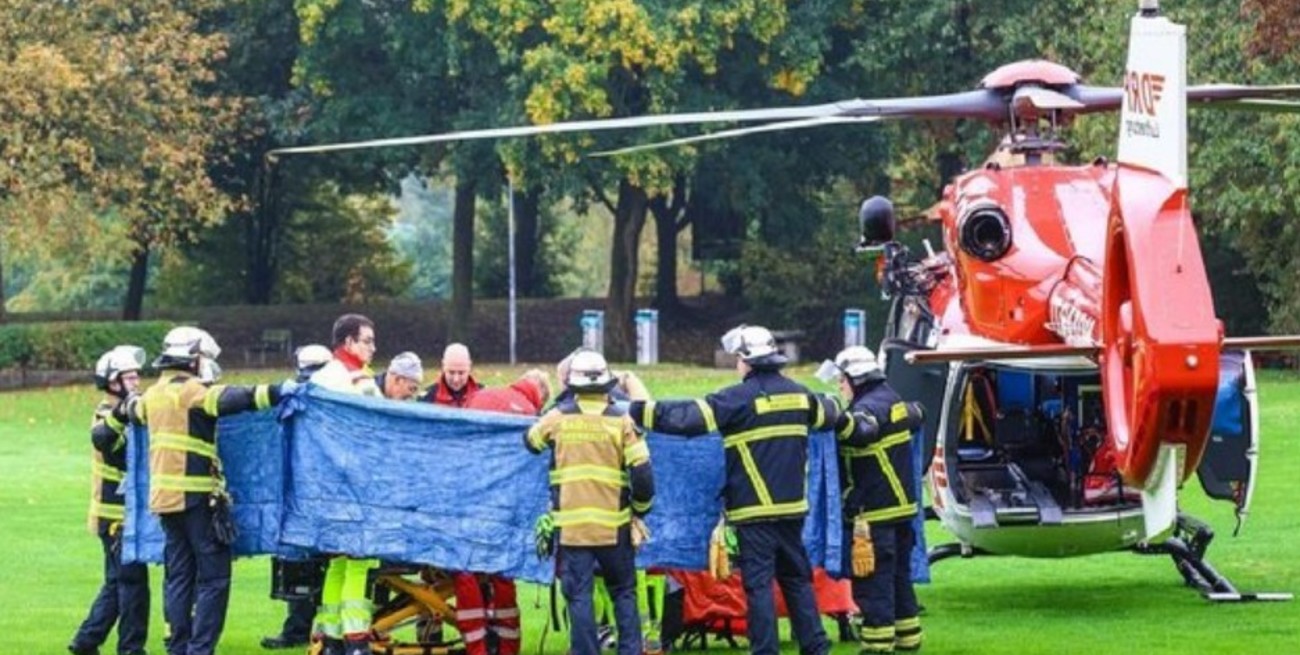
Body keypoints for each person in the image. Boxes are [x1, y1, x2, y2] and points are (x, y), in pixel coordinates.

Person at [627, 325, 837, 655]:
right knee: (798, 581)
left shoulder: (735, 399)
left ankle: (765, 651)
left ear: (745, 360)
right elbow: (833, 413)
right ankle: (815, 647)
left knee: (758, 588)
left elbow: (685, 420)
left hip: (753, 514)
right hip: (793, 511)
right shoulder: (801, 395)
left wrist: (635, 409)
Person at [116, 327, 286, 655]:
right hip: (196, 501)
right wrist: (279, 391)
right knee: (213, 579)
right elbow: (235, 398)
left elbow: (129, 410)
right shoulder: (190, 391)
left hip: (164, 502)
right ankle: (200, 649)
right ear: (193, 359)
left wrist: (128, 403)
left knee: (179, 576)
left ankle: (178, 648)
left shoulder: (153, 395)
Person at [525, 349, 655, 655]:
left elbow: (530, 442)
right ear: (608, 383)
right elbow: (644, 477)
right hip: (614, 527)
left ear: (573, 384)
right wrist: (639, 511)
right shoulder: (622, 421)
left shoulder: (557, 418)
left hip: (572, 530)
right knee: (623, 592)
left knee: (579, 596)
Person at [825, 346, 923, 654]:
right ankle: (909, 640)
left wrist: (832, 416)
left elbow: (862, 430)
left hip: (875, 516)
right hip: (902, 511)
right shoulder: (893, 399)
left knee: (873, 584)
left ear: (856, 378)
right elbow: (919, 412)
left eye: (842, 381)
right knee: (899, 579)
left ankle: (877, 646)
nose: (840, 387)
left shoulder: (867, 409)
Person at [452, 369, 552, 655]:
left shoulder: (480, 395)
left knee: (466, 571)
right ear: (540, 395)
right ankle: (508, 648)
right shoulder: (531, 413)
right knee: (504, 573)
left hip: (468, 500)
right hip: (503, 506)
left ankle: (477, 649)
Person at [68, 346, 151, 655]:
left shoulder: (130, 412)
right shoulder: (107, 415)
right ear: (112, 382)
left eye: (136, 376)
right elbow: (120, 456)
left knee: (117, 583)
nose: (136, 382)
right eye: (128, 377)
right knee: (132, 585)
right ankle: (131, 649)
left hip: (121, 514)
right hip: (115, 515)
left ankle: (86, 642)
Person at [309, 314, 382, 655]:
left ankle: (331, 640)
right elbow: (380, 429)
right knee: (358, 561)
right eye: (367, 340)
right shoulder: (360, 380)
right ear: (349, 343)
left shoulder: (320, 377)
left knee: (337, 561)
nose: (373, 347)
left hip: (325, 485)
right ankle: (357, 643)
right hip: (357, 483)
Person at [261, 344, 333, 651]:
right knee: (302, 563)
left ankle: (315, 631)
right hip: (303, 493)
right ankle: (300, 630)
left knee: (319, 564)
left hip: (320, 494)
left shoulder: (331, 399)